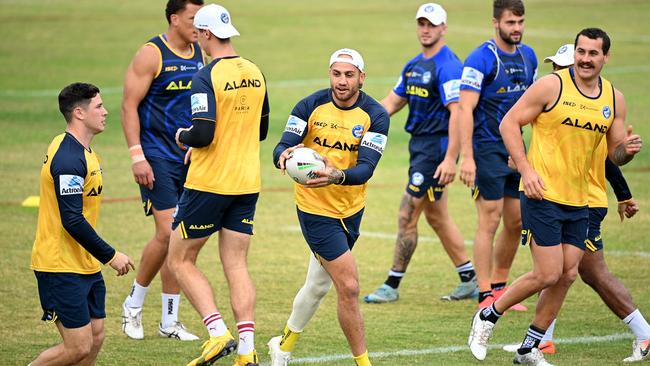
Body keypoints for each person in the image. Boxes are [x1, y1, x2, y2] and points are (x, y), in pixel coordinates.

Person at [468, 28, 643, 365]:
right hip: (542, 193)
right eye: (581, 51)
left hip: (581, 200)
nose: (585, 59)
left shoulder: (614, 99)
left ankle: (530, 347)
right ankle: (487, 316)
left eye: (593, 53)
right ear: (574, 53)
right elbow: (508, 123)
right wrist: (526, 170)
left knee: (567, 274)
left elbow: (614, 155)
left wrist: (628, 151)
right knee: (548, 273)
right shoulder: (552, 86)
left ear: (606, 57)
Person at [267, 48, 389, 366]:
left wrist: (336, 174)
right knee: (348, 286)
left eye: (349, 75)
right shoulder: (309, 106)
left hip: (350, 209)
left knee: (318, 285)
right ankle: (363, 363)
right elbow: (282, 144)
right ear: (329, 74)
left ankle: (282, 346)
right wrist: (283, 155)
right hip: (314, 208)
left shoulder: (376, 115)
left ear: (361, 77)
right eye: (337, 74)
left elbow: (366, 169)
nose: (342, 81)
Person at [165, 4, 269, 366]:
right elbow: (262, 131)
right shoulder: (256, 72)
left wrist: (183, 137)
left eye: (199, 34)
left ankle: (216, 332)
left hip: (210, 183)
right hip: (247, 183)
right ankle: (246, 351)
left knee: (179, 258)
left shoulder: (206, 77)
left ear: (208, 35)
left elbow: (203, 133)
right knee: (237, 265)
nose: (198, 39)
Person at [363, 3, 477, 305]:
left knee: (407, 213)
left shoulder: (448, 66)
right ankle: (470, 279)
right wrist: (357, 123)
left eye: (432, 24)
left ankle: (392, 283)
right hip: (419, 148)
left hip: (435, 150)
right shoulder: (413, 65)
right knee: (437, 217)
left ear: (443, 28)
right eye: (422, 24)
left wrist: (451, 158)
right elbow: (391, 102)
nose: (426, 29)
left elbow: (458, 113)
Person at [29, 82, 135, 365]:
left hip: (83, 263)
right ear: (79, 112)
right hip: (60, 265)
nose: (106, 112)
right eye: (99, 106)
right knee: (77, 347)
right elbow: (72, 220)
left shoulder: (85, 152)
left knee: (96, 337)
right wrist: (111, 256)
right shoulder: (68, 159)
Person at [120, 0, 205, 341]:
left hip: (190, 159)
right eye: (192, 18)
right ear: (174, 19)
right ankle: (133, 305)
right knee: (170, 232)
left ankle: (169, 322)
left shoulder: (200, 52)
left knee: (180, 238)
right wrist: (137, 155)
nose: (198, 25)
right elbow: (128, 105)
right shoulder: (151, 53)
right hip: (156, 157)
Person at [458, 0, 537, 311]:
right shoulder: (480, 58)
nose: (516, 28)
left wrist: (522, 152)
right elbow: (465, 109)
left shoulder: (528, 56)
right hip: (486, 148)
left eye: (520, 22)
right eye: (510, 22)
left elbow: (533, 105)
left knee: (516, 221)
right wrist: (467, 157)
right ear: (495, 23)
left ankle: (502, 287)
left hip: (515, 149)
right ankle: (484, 293)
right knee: (489, 220)